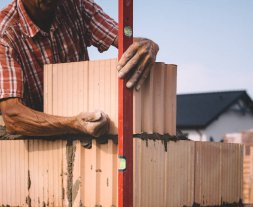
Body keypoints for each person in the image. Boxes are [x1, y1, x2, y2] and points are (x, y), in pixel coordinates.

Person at [0, 0, 159, 137]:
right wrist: (72, 124)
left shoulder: (76, 5)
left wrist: (144, 44)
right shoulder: (5, 33)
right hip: (32, 142)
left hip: (83, 134)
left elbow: (124, 38)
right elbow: (13, 117)